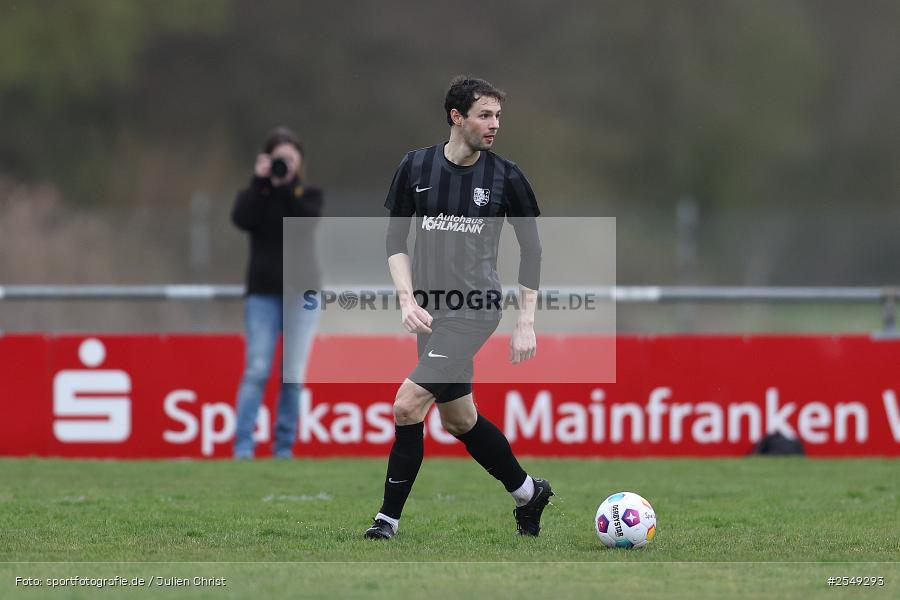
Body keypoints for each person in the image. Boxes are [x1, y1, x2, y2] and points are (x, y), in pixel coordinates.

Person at [364, 76, 551, 539]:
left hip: (475, 309)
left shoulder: (506, 176)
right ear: (457, 117)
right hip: (430, 312)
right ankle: (529, 493)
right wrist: (407, 299)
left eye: (498, 116)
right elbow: (394, 240)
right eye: (485, 115)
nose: (495, 125)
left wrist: (525, 323)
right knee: (459, 419)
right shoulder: (416, 167)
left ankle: (386, 522)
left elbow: (533, 250)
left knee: (407, 405)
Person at [231, 127, 323, 459]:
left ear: (300, 161)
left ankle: (283, 449)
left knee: (293, 375)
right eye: (278, 158)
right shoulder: (256, 195)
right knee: (257, 369)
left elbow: (303, 222)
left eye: (290, 158)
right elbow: (241, 219)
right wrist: (261, 183)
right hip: (263, 295)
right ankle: (242, 447)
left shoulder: (308, 194)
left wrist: (286, 187)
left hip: (303, 295)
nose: (284, 164)